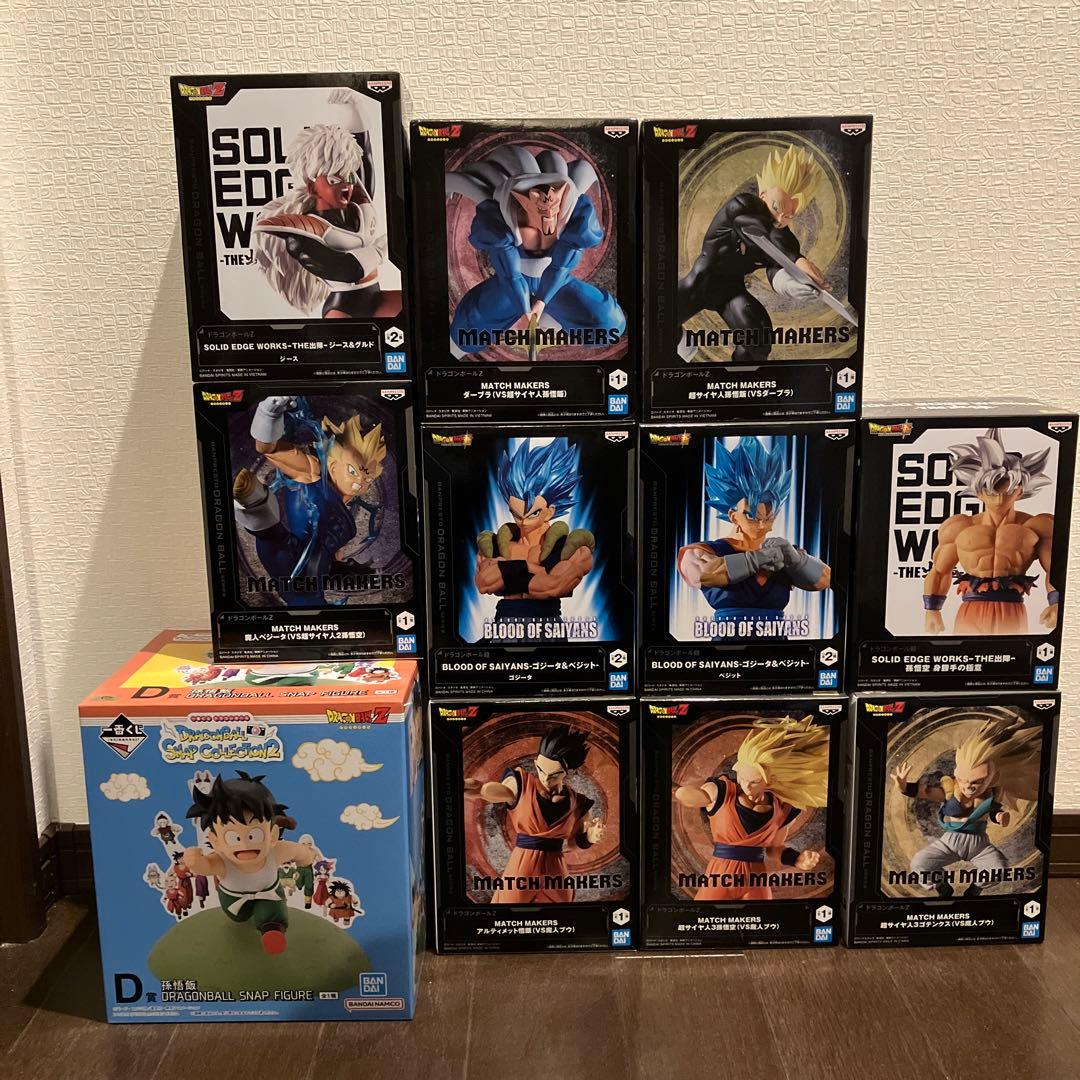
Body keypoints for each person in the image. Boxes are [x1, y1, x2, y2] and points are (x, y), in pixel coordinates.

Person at [675, 717, 828, 901]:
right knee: (703, 916)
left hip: (756, 878)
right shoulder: (722, 791)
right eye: (742, 777)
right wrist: (679, 792)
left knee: (763, 918)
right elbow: (698, 797)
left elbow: (774, 849)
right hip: (721, 874)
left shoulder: (783, 807)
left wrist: (796, 859)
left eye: (754, 782)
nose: (746, 785)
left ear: (770, 780)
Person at [923, 428, 1056, 635]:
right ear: (979, 492)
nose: (1000, 497)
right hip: (971, 608)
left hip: (1012, 610)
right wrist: (932, 609)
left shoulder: (1037, 527)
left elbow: (1055, 570)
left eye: (1008, 489)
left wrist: (1055, 602)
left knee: (1011, 655)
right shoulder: (959, 527)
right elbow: (940, 571)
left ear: (1020, 491)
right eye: (992, 490)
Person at [895, 717, 1040, 897]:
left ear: (992, 778)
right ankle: (942, 885)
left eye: (976, 782)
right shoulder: (950, 789)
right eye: (963, 780)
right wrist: (904, 787)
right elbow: (925, 791)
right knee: (919, 862)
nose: (968, 786)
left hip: (979, 844)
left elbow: (992, 811)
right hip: (949, 842)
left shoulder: (991, 794)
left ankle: (975, 889)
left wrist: (999, 817)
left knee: (998, 868)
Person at [465, 726, 604, 903]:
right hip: (523, 866)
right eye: (541, 769)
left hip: (556, 868)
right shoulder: (521, 785)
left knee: (562, 912)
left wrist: (589, 838)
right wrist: (470, 788)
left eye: (554, 775)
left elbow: (572, 844)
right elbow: (487, 790)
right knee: (510, 910)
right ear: (537, 763)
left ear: (567, 772)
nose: (545, 778)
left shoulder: (578, 803)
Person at [182, 772, 315, 955]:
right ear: (216, 841)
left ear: (272, 835)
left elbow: (299, 852)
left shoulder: (276, 851)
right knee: (239, 918)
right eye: (233, 837)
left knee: (272, 913)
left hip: (269, 893)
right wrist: (195, 862)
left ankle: (272, 931)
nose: (245, 845)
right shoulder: (221, 860)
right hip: (233, 900)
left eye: (254, 835)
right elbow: (206, 867)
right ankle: (249, 918)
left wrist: (307, 857)